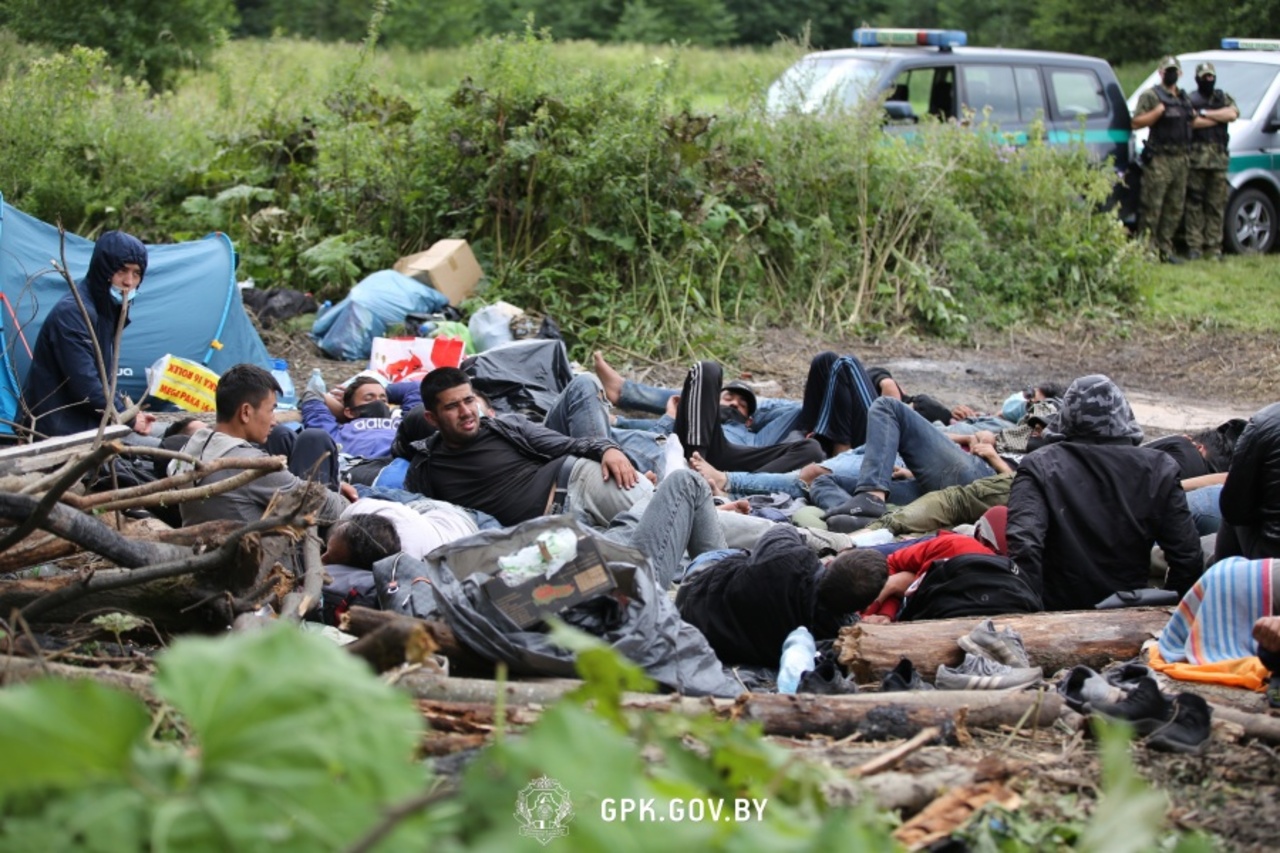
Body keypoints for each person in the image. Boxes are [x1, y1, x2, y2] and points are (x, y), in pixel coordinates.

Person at [1005, 374, 1203, 610]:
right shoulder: (1159, 467)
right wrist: (1169, 612)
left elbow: (1025, 547)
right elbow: (1188, 556)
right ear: (1124, 415)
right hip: (1129, 611)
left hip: (1057, 611)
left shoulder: (1039, 464)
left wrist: (1033, 615)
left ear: (1066, 416)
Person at [405, 366, 646, 529]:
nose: (466, 412)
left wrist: (607, 449)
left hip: (578, 482)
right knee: (633, 556)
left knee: (659, 527)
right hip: (547, 532)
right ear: (432, 418)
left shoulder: (505, 425)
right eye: (452, 407)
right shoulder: (424, 469)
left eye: (469, 401)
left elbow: (569, 444)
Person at [675, 524, 887, 666]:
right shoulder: (836, 635)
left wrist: (829, 547)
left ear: (832, 563)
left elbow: (782, 529)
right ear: (864, 605)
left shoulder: (792, 558)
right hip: (719, 645)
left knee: (745, 554)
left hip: (694, 600)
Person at [598, 350, 880, 456]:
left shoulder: (755, 425)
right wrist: (620, 421)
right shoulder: (697, 420)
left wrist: (744, 410)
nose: (734, 403)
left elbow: (798, 407)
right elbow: (654, 433)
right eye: (729, 398)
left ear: (750, 419)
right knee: (702, 384)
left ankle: (624, 390)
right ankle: (623, 391)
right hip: (717, 442)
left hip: (760, 446)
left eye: (741, 404)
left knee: (827, 361)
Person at [173, 364, 354, 526]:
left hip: (205, 543)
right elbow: (324, 508)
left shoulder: (191, 448)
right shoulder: (251, 466)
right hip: (262, 556)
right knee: (316, 438)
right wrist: (348, 501)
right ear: (245, 412)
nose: (274, 420)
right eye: (271, 410)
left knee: (281, 436)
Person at [21, 230, 157, 439]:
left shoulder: (105, 308)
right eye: (122, 271)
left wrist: (129, 413)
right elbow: (85, 386)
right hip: (58, 430)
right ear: (104, 270)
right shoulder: (74, 313)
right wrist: (127, 417)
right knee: (164, 449)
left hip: (88, 422)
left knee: (183, 431)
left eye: (136, 273)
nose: (129, 282)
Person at [1131, 56, 1210, 264]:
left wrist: (1218, 118)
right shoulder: (1151, 96)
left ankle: (1165, 249)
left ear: (1180, 74)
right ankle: (1146, 251)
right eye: (1168, 70)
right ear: (1161, 72)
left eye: (1175, 70)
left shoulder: (1183, 98)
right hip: (1159, 160)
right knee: (1152, 208)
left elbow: (1193, 121)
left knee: (1174, 208)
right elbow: (1136, 122)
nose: (1172, 74)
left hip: (1181, 159)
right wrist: (1157, 112)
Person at [299, 376, 421, 483]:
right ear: (349, 411)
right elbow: (313, 395)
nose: (378, 402)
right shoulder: (336, 432)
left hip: (401, 467)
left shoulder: (405, 423)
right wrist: (343, 411)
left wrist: (374, 389)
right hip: (360, 474)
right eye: (369, 399)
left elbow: (416, 388)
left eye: (383, 399)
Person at [1184, 62, 1239, 261]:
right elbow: (1191, 122)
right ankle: (1194, 246)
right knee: (1194, 204)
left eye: (1211, 76)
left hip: (1218, 161)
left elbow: (1232, 114)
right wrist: (1219, 117)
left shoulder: (1222, 97)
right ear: (1197, 78)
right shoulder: (1190, 99)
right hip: (1197, 160)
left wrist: (1206, 114)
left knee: (1216, 204)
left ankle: (1214, 247)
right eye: (1204, 77)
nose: (1208, 80)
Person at [1214, 402, 1280, 562]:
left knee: (1234, 507)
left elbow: (1233, 509)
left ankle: (1223, 580)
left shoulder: (1266, 420)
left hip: (1271, 557)